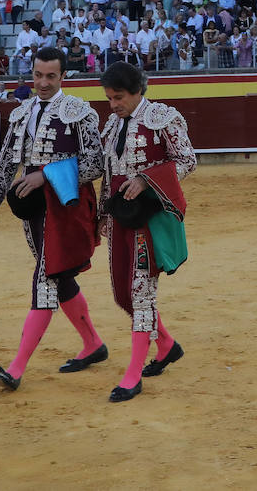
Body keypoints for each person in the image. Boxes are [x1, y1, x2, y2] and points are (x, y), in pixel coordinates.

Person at [0, 47, 106, 392]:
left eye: (50, 76)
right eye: (37, 75)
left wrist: (45, 175)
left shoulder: (80, 113)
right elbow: (4, 167)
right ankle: (93, 344)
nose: (42, 83)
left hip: (66, 207)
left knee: (46, 278)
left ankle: (16, 368)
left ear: (63, 77)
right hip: (33, 210)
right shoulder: (22, 114)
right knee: (58, 275)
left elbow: (95, 165)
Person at [96, 62, 196, 402]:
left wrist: (146, 179)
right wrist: (102, 215)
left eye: (119, 97)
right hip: (121, 218)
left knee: (140, 294)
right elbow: (106, 172)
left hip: (149, 221)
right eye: (109, 98)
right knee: (123, 294)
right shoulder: (112, 124)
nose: (113, 105)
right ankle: (166, 344)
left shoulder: (164, 118)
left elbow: (187, 160)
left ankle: (133, 374)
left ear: (138, 90)